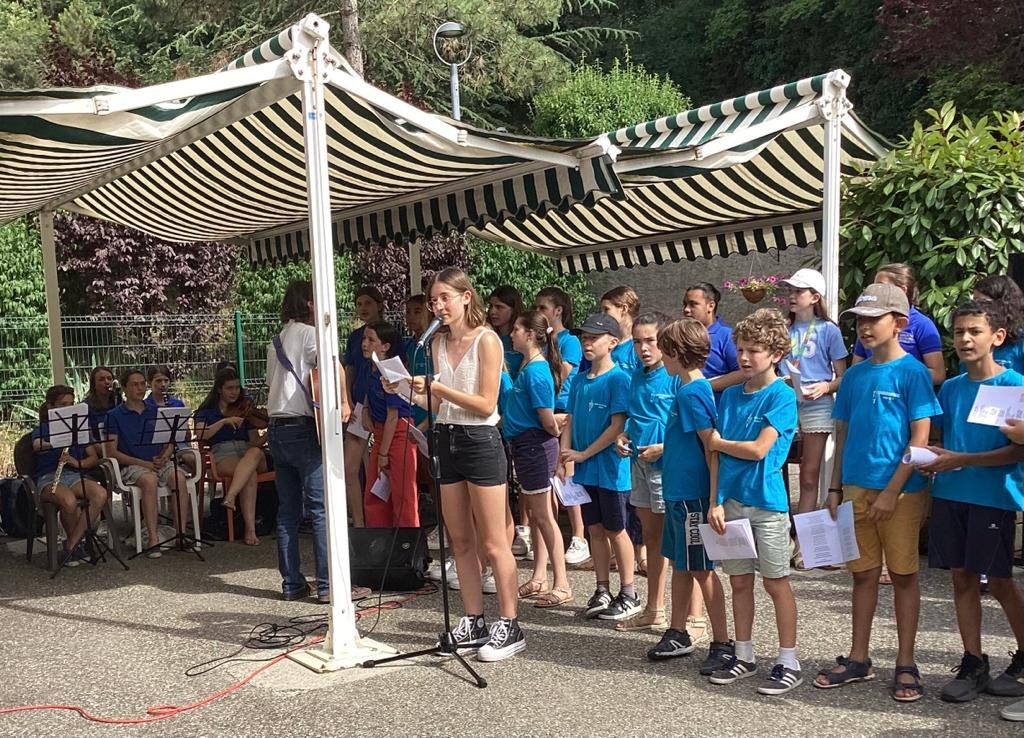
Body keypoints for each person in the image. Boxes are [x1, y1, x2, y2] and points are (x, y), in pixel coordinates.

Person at [815, 283, 941, 702]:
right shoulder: (853, 375)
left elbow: (920, 438)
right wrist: (834, 486)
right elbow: (842, 431)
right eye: (860, 321)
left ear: (899, 323)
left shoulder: (914, 373)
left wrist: (891, 492)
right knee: (863, 574)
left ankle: (906, 662)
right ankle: (858, 657)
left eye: (874, 320)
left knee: (903, 575)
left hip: (901, 492)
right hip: (855, 487)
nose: (865, 328)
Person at [396, 267, 525, 662]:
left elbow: (486, 404)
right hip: (446, 437)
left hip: (480, 440)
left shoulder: (487, 340)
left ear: (466, 297)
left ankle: (510, 623)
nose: (438, 306)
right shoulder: (437, 343)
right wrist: (403, 389)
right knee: (460, 540)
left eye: (444, 298)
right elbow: (439, 404)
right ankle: (473, 619)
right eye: (433, 300)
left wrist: (437, 386)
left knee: (494, 541)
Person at [917, 300, 1024, 704]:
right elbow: (945, 439)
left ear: (997, 337)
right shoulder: (952, 388)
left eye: (974, 331)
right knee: (961, 579)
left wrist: (963, 459)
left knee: (999, 581)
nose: (965, 339)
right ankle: (973, 662)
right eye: (959, 331)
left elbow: (1016, 452)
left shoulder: (1014, 385)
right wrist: (933, 456)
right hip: (950, 495)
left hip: (993, 498)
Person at [706, 308, 801, 696]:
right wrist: (714, 500)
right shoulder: (729, 395)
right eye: (741, 349)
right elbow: (716, 456)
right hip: (730, 503)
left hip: (767, 505)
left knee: (776, 583)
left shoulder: (782, 395)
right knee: (740, 583)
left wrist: (719, 442)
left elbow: (760, 449)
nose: (744, 357)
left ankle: (788, 661)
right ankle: (743, 654)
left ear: (776, 354)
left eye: (754, 350)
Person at [647, 318, 733, 674]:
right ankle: (677, 631)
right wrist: (663, 451)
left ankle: (723, 642)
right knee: (682, 564)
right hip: (679, 495)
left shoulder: (692, 392)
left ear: (676, 353)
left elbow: (711, 446)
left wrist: (714, 500)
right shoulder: (690, 389)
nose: (660, 356)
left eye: (664, 350)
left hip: (693, 497)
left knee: (700, 567)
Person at [266, 280, 352, 603]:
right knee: (320, 508)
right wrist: (344, 399)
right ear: (310, 304)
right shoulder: (309, 334)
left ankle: (291, 583)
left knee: (287, 511)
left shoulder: (275, 340)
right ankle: (328, 584)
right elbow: (331, 364)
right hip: (302, 428)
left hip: (276, 428)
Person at [558, 313, 638, 622]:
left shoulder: (619, 379)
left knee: (616, 529)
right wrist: (564, 455)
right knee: (594, 529)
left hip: (610, 468)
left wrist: (583, 453)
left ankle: (629, 591)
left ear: (613, 342)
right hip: (585, 468)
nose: (587, 342)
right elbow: (570, 419)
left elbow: (617, 425)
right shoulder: (579, 379)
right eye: (585, 337)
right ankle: (602, 588)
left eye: (594, 338)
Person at [502, 310, 572, 608]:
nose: (512, 334)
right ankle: (541, 576)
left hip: (535, 446)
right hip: (526, 446)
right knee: (537, 513)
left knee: (544, 516)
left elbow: (546, 419)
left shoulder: (537, 371)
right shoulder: (529, 367)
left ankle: (562, 583)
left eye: (516, 329)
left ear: (530, 335)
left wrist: (558, 427)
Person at [782, 268, 848, 565]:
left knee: (809, 475)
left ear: (814, 297)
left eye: (799, 291)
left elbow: (842, 376)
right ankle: (780, 539)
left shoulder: (828, 330)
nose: (792, 296)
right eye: (791, 290)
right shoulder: (782, 327)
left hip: (817, 403)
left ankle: (803, 546)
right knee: (775, 468)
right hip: (785, 400)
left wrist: (825, 386)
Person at [613, 312, 674, 632]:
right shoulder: (636, 375)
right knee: (651, 539)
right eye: (637, 342)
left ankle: (689, 616)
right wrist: (623, 436)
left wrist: (663, 447)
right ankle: (654, 608)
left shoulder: (675, 376)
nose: (644, 348)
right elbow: (635, 418)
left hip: (666, 468)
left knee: (672, 542)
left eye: (650, 341)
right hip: (638, 463)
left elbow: (690, 427)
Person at [106, 368, 192, 559]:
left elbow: (170, 441)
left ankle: (181, 533)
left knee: (178, 478)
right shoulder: (115, 415)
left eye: (142, 384)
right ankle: (153, 539)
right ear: (124, 388)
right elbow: (112, 452)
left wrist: (165, 456)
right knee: (149, 481)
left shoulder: (156, 411)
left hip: (157, 462)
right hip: (132, 465)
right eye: (134, 384)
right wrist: (143, 463)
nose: (140, 388)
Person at [535, 286, 589, 565]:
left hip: (563, 409)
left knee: (566, 472)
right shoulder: (541, 343)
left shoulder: (570, 341)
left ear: (558, 311)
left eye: (543, 308)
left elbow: (560, 375)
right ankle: (552, 536)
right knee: (548, 477)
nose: (538, 312)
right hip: (544, 409)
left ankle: (579, 536)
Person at [32, 384, 108, 566]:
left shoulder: (78, 428)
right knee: (69, 501)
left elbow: (93, 457)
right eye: (63, 405)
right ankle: (76, 546)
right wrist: (56, 442)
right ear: (50, 407)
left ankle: (72, 543)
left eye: (71, 404)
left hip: (72, 474)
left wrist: (77, 463)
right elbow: (37, 445)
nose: (68, 408)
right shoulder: (44, 428)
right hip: (49, 477)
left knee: (100, 494)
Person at [194, 367, 268, 546]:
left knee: (255, 452)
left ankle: (231, 496)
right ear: (219, 389)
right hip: (223, 453)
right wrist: (224, 421)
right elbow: (201, 434)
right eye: (229, 388)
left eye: (237, 388)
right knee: (248, 473)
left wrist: (269, 433)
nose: (234, 392)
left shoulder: (245, 409)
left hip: (248, 452)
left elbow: (254, 442)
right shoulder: (207, 412)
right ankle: (250, 530)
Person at [362, 320, 418, 528]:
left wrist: (383, 453)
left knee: (403, 491)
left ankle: (407, 538)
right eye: (364, 338)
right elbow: (369, 392)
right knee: (375, 490)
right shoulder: (371, 368)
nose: (364, 344)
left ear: (385, 346)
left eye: (371, 340)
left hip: (399, 431)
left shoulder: (391, 371)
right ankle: (379, 538)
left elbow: (393, 416)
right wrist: (365, 410)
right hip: (381, 432)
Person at [851, 263, 945, 386]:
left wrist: (895, 380)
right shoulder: (867, 326)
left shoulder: (923, 324)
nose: (875, 291)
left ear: (902, 290)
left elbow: (938, 374)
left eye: (881, 286)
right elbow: (856, 370)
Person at [343, 285, 386, 528]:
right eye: (359, 304)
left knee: (379, 464)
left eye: (368, 303)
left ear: (379, 305)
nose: (363, 308)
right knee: (350, 466)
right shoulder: (354, 337)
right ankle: (360, 522)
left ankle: (379, 518)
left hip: (383, 406)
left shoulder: (390, 333)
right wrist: (348, 400)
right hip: (359, 404)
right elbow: (349, 368)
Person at [682, 282, 743, 398]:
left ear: (710, 306)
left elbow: (743, 373)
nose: (686, 310)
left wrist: (704, 386)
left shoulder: (726, 336)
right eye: (685, 304)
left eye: (693, 304)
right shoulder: (681, 335)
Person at [145, 365, 196, 475]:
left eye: (166, 380)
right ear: (149, 382)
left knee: (194, 460)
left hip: (178, 444)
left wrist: (185, 431)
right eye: (158, 381)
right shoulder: (145, 405)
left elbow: (187, 434)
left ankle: (195, 485)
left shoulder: (177, 404)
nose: (163, 384)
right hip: (157, 447)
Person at [971, 274, 1024, 373]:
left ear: (1002, 303)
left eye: (982, 302)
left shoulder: (1020, 339)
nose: (976, 307)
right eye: (974, 302)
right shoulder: (973, 337)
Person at [488, 285, 525, 378]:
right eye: (491, 306)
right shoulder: (487, 337)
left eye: (499, 307)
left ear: (513, 309)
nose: (492, 311)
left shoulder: (522, 338)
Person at [83, 365, 120, 442]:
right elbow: (89, 438)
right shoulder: (85, 407)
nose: (107, 382)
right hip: (97, 446)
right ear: (94, 385)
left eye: (109, 379)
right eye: (101, 379)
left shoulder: (118, 402)